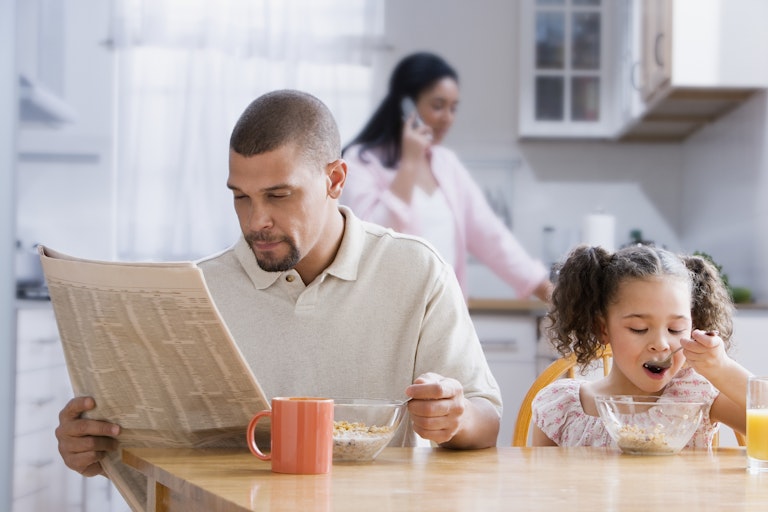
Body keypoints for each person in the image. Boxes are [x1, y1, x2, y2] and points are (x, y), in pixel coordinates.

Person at [55, 90, 502, 478]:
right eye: (240, 197)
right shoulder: (200, 289)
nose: (256, 221)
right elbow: (157, 441)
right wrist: (93, 446)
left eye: (278, 195)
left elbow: (487, 417)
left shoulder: (416, 270)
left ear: (335, 180)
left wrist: (454, 417)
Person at [341, 52, 552, 302]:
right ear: (405, 105)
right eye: (437, 106)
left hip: (444, 312)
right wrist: (409, 163)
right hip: (388, 312)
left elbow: (491, 236)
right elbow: (368, 240)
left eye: (453, 108)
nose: (448, 118)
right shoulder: (362, 161)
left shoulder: (447, 164)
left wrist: (544, 288)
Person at [531, 244, 751, 447]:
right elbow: (544, 483)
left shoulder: (695, 396)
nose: (661, 344)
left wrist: (722, 369)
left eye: (675, 329)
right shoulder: (562, 408)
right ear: (602, 329)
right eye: (639, 328)